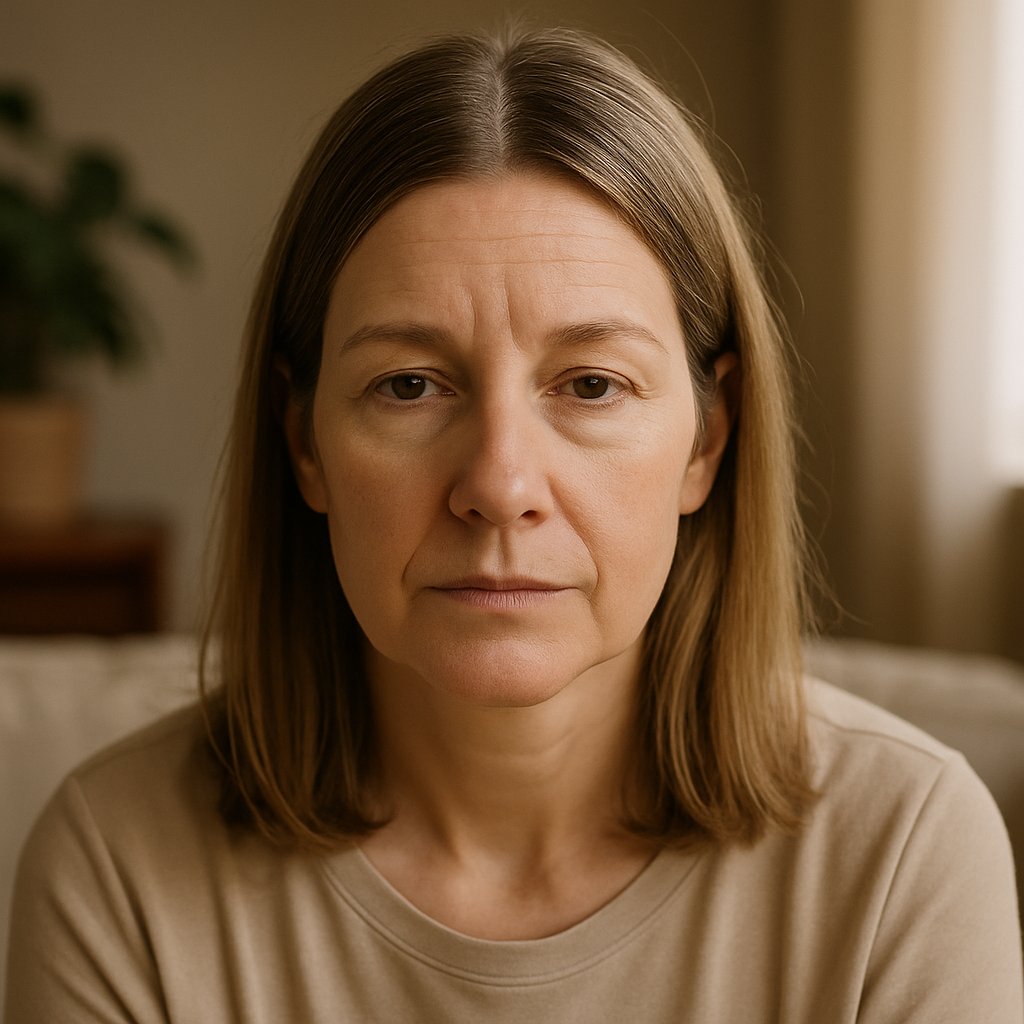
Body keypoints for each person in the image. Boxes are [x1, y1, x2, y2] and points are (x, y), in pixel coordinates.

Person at [4, 26, 1022, 1023]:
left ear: (708, 439)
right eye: (407, 385)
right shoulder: (115, 868)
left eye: (589, 384)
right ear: (303, 442)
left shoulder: (903, 857)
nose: (498, 482)